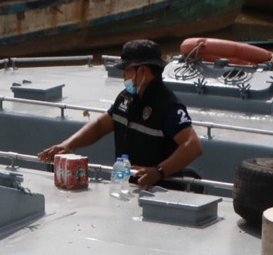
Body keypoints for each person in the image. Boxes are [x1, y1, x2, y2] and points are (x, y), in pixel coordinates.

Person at [38, 39, 202, 190]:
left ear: (143, 70)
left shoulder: (168, 106)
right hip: (129, 188)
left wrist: (159, 171)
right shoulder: (126, 98)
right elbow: (101, 125)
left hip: (159, 192)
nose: (123, 75)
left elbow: (193, 146)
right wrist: (67, 145)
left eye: (127, 69)